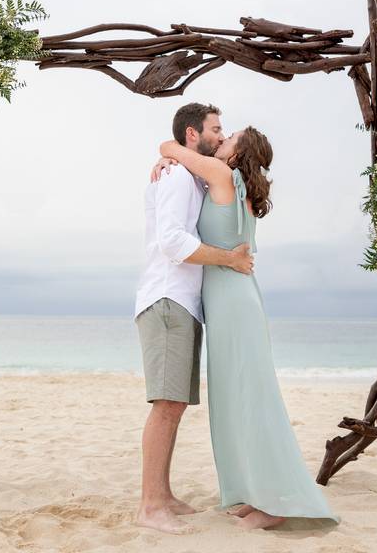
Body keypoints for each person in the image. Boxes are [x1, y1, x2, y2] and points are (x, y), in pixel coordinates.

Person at [155, 125, 340, 530]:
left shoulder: (222, 175)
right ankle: (254, 493)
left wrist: (168, 153)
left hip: (234, 305)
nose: (222, 140)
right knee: (235, 401)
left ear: (238, 155)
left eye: (230, 137)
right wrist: (171, 160)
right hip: (232, 301)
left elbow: (169, 144)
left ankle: (273, 503)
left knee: (251, 401)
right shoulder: (234, 184)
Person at [134, 103, 255, 535]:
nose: (221, 137)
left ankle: (162, 495)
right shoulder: (178, 176)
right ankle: (150, 505)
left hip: (183, 303)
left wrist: (167, 150)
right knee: (166, 405)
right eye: (215, 130)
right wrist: (229, 259)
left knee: (176, 403)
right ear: (193, 134)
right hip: (167, 299)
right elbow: (171, 241)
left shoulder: (191, 175)